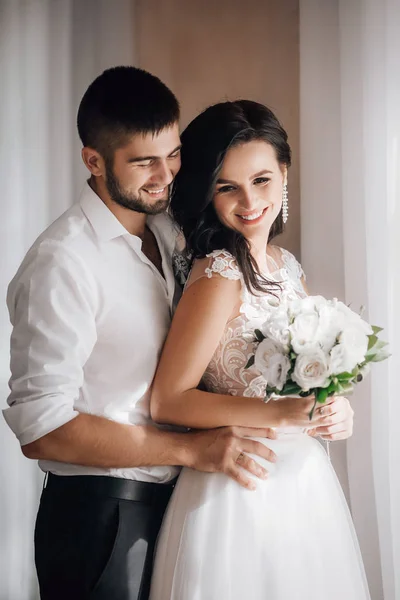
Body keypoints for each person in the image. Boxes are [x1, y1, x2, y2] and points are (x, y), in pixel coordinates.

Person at [3, 68, 281, 600]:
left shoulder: (167, 229)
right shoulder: (62, 263)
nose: (166, 174)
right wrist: (190, 452)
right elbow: (41, 426)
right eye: (143, 162)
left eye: (172, 154)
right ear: (93, 161)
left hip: (178, 507)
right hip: (100, 517)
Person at [148, 100, 370, 600]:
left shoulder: (285, 265)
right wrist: (283, 414)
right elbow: (168, 399)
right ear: (207, 191)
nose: (249, 201)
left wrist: (333, 407)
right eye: (227, 186)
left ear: (284, 174)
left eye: (262, 180)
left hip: (303, 488)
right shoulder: (218, 276)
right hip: (238, 490)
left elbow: (309, 378)